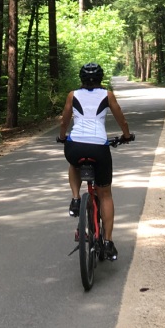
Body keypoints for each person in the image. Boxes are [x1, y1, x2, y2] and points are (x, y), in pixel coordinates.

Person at [58, 62, 132, 261]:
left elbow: (64, 120)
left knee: (73, 163)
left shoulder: (72, 95)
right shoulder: (107, 95)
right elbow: (121, 119)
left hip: (75, 146)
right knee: (105, 194)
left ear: (81, 78)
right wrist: (126, 135)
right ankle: (107, 242)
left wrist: (63, 136)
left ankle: (75, 198)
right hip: (99, 147)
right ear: (100, 78)